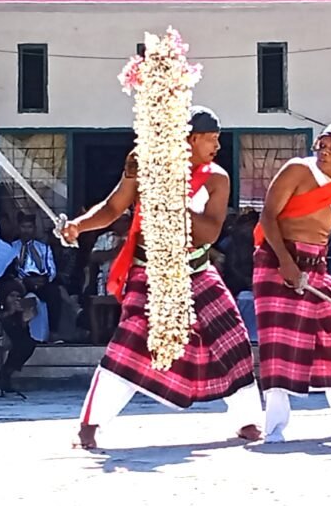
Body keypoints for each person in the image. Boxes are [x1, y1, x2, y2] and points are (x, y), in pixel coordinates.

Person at [62, 106, 262, 449]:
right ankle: (90, 425)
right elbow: (113, 208)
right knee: (129, 344)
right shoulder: (142, 162)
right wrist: (79, 226)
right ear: (190, 139)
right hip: (148, 271)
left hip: (196, 269)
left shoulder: (217, 178)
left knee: (233, 337)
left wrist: (168, 196)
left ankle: (248, 420)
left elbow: (209, 233)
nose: (217, 145)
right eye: (211, 139)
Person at [253, 121, 331, 443]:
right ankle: (273, 427)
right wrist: (286, 263)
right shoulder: (298, 171)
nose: (325, 153)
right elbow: (267, 217)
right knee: (281, 343)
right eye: (323, 145)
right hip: (278, 259)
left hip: (317, 266)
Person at [12, 213, 61, 335]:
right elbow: (15, 268)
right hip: (23, 281)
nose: (26, 230)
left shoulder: (43, 247)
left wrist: (44, 279)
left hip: (41, 280)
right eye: (23, 227)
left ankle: (53, 333)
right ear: (19, 228)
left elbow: (51, 269)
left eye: (29, 227)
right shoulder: (12, 247)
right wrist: (26, 279)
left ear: (34, 229)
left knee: (54, 292)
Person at [0, 279, 37, 394]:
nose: (15, 299)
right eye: (12, 296)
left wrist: (24, 319)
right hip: (0, 338)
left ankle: (8, 373)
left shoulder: (20, 312)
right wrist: (10, 312)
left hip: (17, 342)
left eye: (18, 296)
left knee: (28, 343)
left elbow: (23, 333)